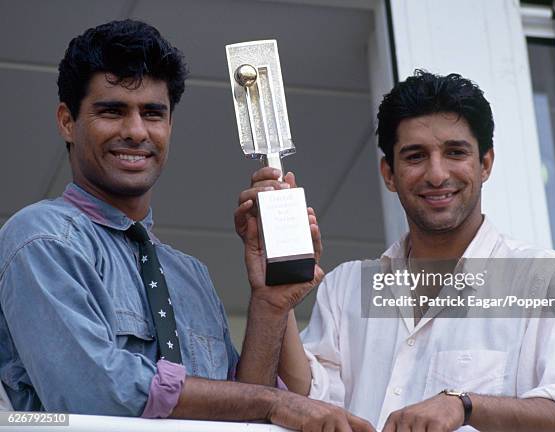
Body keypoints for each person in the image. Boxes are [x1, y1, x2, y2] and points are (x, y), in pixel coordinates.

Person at [0, 19, 375, 432]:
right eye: (112, 111)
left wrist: (270, 303)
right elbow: (100, 392)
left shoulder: (190, 275)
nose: (136, 131)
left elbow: (240, 415)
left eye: (153, 113)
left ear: (169, 126)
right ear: (67, 121)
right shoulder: (40, 239)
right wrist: (274, 402)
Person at [241, 71, 555, 431]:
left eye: (455, 153)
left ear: (485, 164)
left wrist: (463, 405)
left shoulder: (554, 282)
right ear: (389, 173)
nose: (436, 174)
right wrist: (277, 297)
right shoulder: (347, 286)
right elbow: (309, 399)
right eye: (416, 156)